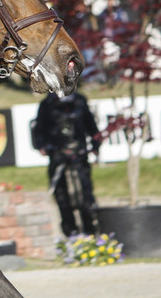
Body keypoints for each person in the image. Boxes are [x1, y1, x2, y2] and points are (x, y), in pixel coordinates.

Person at [32, 92, 101, 237]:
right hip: (58, 156)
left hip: (79, 156)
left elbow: (91, 125)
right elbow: (39, 129)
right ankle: (71, 233)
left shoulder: (80, 101)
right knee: (62, 197)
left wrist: (95, 146)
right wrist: (42, 146)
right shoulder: (47, 104)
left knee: (86, 195)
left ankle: (91, 231)